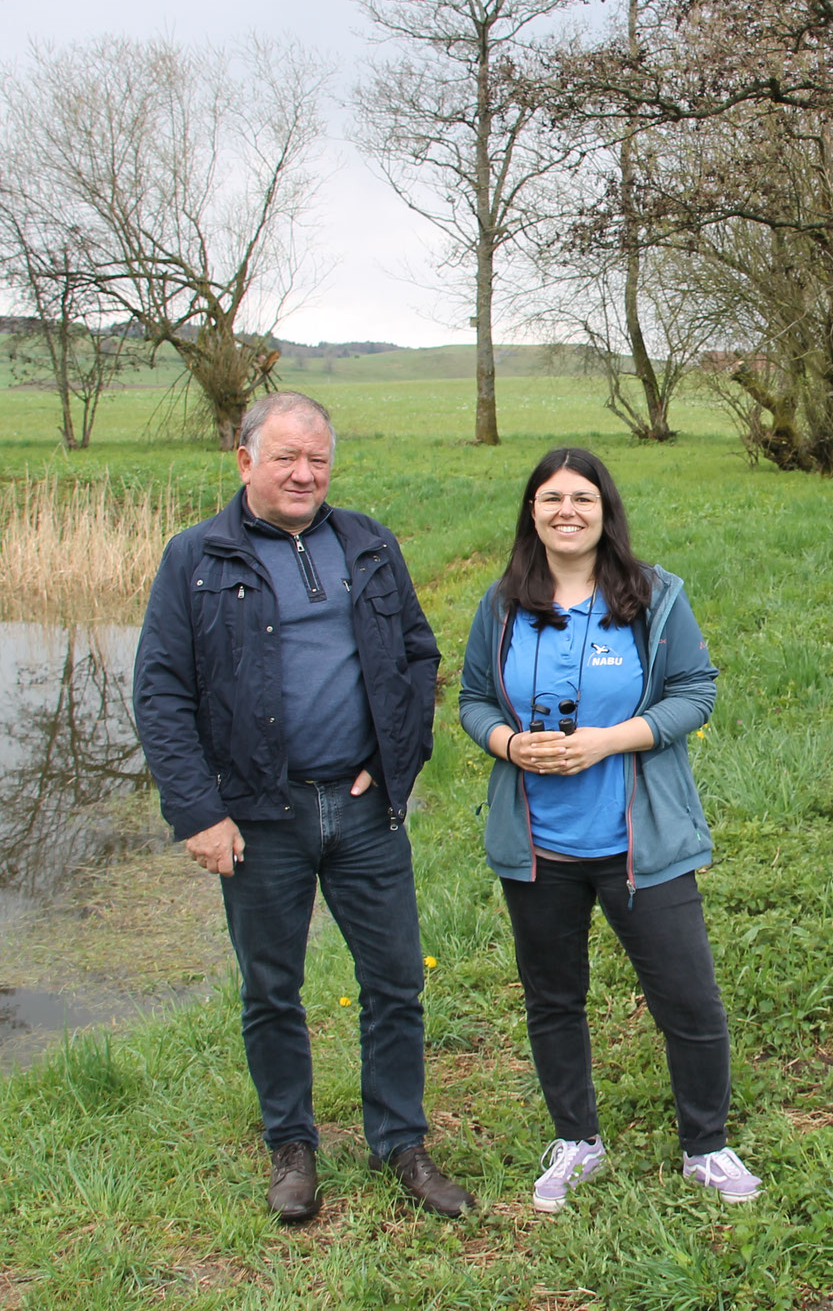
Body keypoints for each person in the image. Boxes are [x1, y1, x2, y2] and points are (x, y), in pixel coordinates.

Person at [133, 390, 471, 1224]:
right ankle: (292, 1145)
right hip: (259, 817)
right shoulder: (197, 558)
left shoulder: (367, 543)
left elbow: (419, 657)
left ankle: (401, 1141)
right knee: (271, 988)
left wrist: (395, 759)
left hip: (362, 813)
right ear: (245, 459)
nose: (303, 472)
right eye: (285, 456)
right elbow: (161, 692)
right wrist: (198, 812)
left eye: (317, 458)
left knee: (395, 981)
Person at [458, 447, 761, 1212]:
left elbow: (697, 691)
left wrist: (609, 738)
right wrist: (507, 743)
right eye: (552, 496)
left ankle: (707, 1144)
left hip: (640, 843)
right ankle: (577, 1140)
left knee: (689, 1000)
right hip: (538, 849)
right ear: (532, 510)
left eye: (582, 497)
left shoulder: (655, 596)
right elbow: (471, 700)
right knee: (553, 998)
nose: (567, 509)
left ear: (605, 510)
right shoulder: (502, 605)